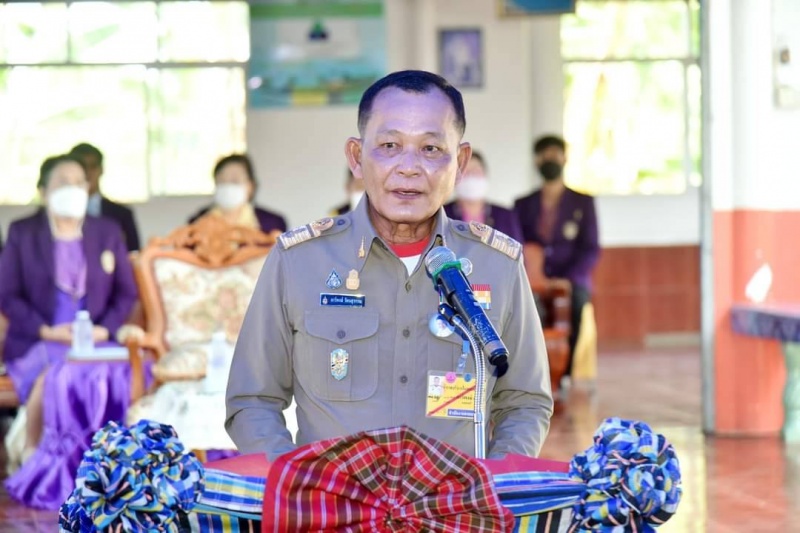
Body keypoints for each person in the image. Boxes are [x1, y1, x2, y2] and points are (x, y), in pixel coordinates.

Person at [226, 70, 553, 461]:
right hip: (330, 499)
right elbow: (252, 400)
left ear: (461, 162)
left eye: (430, 148)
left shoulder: (496, 265)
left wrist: (491, 484)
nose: (409, 167)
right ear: (356, 157)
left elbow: (525, 402)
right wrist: (298, 482)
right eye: (389, 145)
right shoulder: (299, 262)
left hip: (454, 499)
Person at [0, 154, 139, 508]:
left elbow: (126, 293)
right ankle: (39, 458)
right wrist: (47, 330)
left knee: (108, 373)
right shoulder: (23, 232)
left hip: (95, 341)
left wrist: (105, 330)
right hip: (38, 340)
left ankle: (108, 471)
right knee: (59, 373)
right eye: (62, 182)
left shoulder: (106, 231)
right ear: (43, 190)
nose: (73, 189)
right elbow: (8, 294)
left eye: (79, 182)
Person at [513, 135, 600, 386]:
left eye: (554, 155)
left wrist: (569, 279)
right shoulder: (522, 204)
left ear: (564, 159)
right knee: (523, 310)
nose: (549, 160)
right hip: (532, 278)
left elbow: (591, 248)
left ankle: (564, 375)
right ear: (536, 161)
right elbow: (515, 242)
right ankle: (531, 374)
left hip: (570, 279)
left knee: (574, 307)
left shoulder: (583, 202)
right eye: (544, 156)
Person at [188, 154, 287, 235]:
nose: (227, 186)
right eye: (221, 181)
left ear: (250, 186)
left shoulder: (273, 224)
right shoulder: (197, 222)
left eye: (234, 181)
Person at [69, 143, 141, 252]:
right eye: (82, 167)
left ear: (101, 169)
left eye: (92, 167)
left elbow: (134, 254)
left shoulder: (122, 215)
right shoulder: (58, 214)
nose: (88, 173)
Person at [443, 150, 523, 242]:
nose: (471, 176)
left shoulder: (505, 216)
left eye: (476, 171)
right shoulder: (442, 215)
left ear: (485, 175)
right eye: (465, 172)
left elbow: (516, 249)